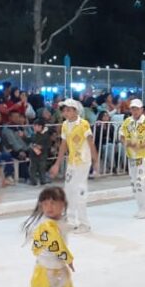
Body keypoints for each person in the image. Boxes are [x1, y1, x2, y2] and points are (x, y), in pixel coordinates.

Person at [17, 186, 83, 287]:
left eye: (53, 203)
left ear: (63, 204)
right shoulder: (45, 225)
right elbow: (56, 244)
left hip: (61, 271)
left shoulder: (61, 221)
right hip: (43, 272)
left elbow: (64, 229)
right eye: (45, 204)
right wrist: (68, 259)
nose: (49, 207)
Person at [50, 99, 97, 233]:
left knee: (80, 190)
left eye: (68, 110)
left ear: (76, 111)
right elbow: (63, 145)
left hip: (83, 161)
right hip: (72, 162)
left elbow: (91, 143)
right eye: (64, 110)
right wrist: (57, 163)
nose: (66, 113)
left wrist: (95, 161)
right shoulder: (65, 125)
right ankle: (70, 220)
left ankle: (84, 223)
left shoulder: (83, 124)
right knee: (69, 190)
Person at [119, 98, 145, 219]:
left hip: (143, 156)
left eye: (137, 109)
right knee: (134, 182)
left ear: (141, 109)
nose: (135, 111)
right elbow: (122, 136)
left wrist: (140, 146)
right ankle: (141, 208)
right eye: (133, 109)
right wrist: (127, 143)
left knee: (140, 181)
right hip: (131, 156)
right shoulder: (127, 122)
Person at [27, 118, 54, 187]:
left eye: (35, 126)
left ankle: (43, 180)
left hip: (42, 155)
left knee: (42, 167)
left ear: (40, 126)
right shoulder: (33, 134)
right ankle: (33, 180)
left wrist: (41, 147)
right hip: (33, 154)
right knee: (32, 168)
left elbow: (48, 145)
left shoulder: (46, 135)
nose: (34, 127)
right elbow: (29, 141)